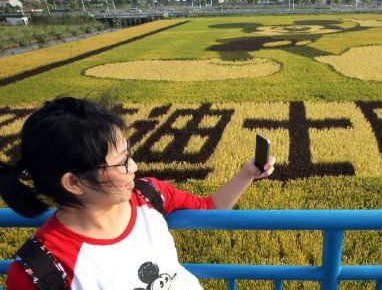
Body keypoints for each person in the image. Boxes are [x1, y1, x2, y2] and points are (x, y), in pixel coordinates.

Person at [0, 97, 276, 290]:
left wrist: (247, 173)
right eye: (121, 162)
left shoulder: (149, 195)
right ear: (73, 182)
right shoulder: (39, 271)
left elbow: (210, 206)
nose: (134, 167)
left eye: (129, 155)